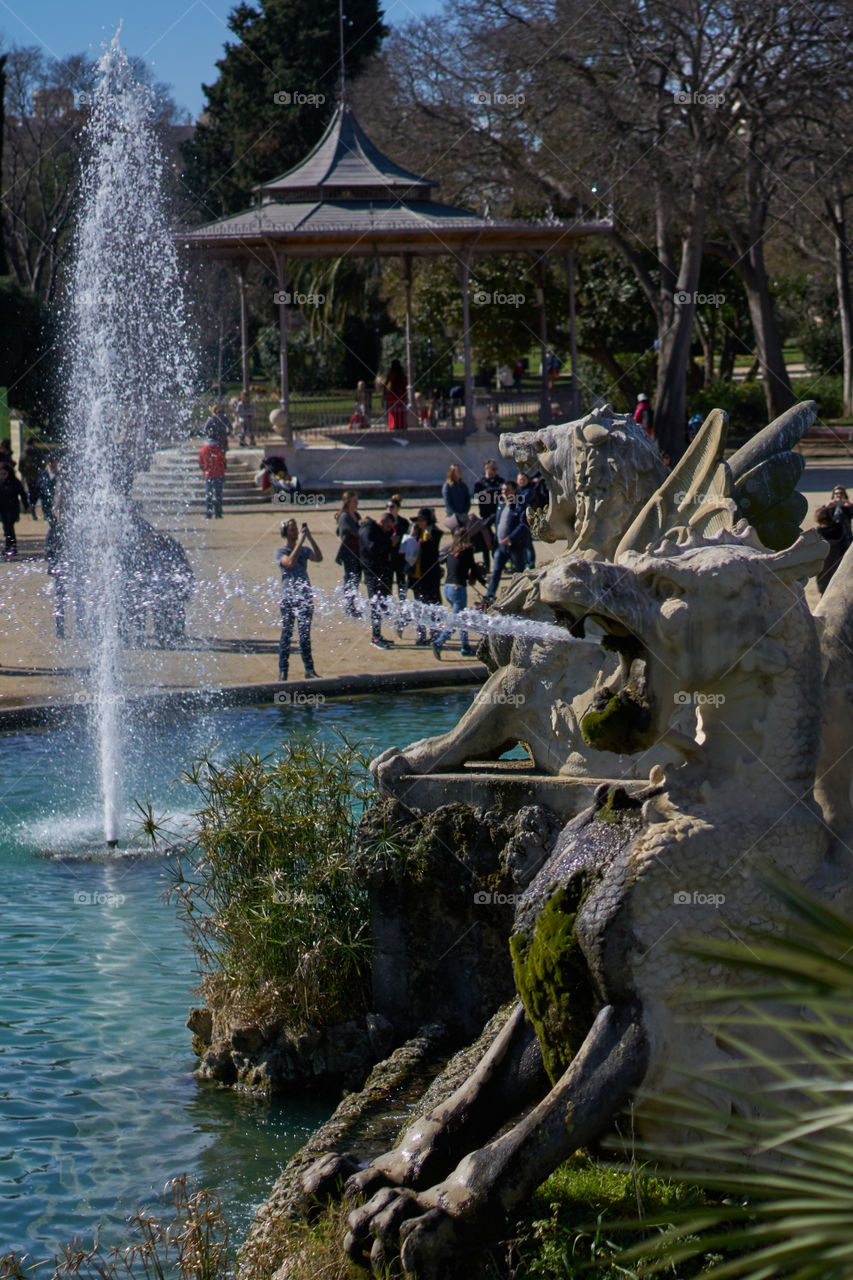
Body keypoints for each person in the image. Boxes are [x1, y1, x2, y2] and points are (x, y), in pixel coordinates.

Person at [277, 518, 321, 680]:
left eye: (296, 530)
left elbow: (319, 557)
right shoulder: (281, 551)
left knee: (304, 636)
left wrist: (309, 538)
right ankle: (283, 671)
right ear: (285, 533)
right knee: (286, 635)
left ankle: (309, 670)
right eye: (292, 530)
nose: (295, 532)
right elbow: (289, 563)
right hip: (289, 598)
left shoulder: (303, 549)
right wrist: (300, 542)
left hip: (304, 597)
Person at [432, 520, 484, 659]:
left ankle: (465, 647)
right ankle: (439, 642)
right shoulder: (467, 550)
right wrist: (483, 581)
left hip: (447, 589)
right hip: (458, 589)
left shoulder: (450, 552)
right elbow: (473, 567)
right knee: (457, 621)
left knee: (461, 619)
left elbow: (457, 568)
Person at [484, 480, 531, 600]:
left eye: (507, 490)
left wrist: (510, 538)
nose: (504, 492)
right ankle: (489, 595)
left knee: (519, 572)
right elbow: (497, 521)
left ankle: (521, 594)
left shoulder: (520, 505)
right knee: (496, 571)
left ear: (514, 491)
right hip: (501, 545)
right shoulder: (501, 504)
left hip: (516, 545)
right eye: (503, 489)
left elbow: (523, 525)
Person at [359, 510, 397, 648]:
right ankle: (375, 638)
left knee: (380, 603)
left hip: (379, 570)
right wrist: (389, 542)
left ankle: (377, 635)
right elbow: (372, 548)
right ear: (382, 521)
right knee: (375, 604)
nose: (389, 530)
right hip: (371, 572)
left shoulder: (378, 530)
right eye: (388, 527)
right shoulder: (368, 529)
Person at [409, 506, 443, 645]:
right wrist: (412, 535)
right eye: (418, 520)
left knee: (433, 605)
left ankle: (435, 633)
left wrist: (423, 536)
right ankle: (421, 634)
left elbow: (430, 549)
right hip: (416, 576)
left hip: (430, 576)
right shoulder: (415, 533)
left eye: (422, 520)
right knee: (419, 607)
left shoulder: (435, 533)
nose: (419, 523)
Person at [473, 458, 504, 570]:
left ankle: (500, 564)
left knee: (498, 539)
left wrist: (488, 493)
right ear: (486, 469)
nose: (495, 471)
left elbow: (503, 493)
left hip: (498, 514)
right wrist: (492, 494)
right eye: (493, 469)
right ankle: (486, 565)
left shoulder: (500, 480)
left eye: (496, 469)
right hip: (485, 515)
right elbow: (477, 498)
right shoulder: (480, 482)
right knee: (485, 541)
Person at [386, 495, 411, 630]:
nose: (389, 509)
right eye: (388, 507)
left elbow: (407, 538)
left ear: (397, 508)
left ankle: (402, 605)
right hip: (389, 557)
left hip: (400, 556)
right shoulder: (385, 520)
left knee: (402, 582)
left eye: (392, 507)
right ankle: (390, 606)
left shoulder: (403, 522)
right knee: (388, 582)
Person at [335, 490, 362, 616]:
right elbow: (355, 532)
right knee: (350, 578)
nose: (357, 503)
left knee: (356, 578)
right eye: (354, 501)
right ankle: (349, 606)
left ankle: (351, 605)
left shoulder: (355, 514)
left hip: (357, 551)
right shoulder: (345, 516)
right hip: (348, 551)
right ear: (348, 502)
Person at [815, 505, 847, 595]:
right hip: (838, 560)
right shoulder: (840, 527)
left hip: (824, 563)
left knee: (824, 587)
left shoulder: (819, 531)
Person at [0, 461, 28, 557]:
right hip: (2, 509)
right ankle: (8, 546)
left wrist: (27, 506)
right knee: (6, 527)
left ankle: (12, 546)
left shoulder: (15, 482)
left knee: (10, 527)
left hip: (12, 508)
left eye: (4, 473)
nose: (2, 476)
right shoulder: (0, 482)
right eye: (1, 474)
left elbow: (23, 494)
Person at [198, 435, 226, 518]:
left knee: (208, 494)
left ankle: (208, 512)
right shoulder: (219, 449)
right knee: (218, 494)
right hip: (218, 473)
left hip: (208, 474)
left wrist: (204, 470)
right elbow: (223, 462)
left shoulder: (203, 450)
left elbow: (200, 462)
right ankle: (218, 513)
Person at [514, 472, 537, 568]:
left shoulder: (529, 491)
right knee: (521, 544)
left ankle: (531, 564)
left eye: (524, 479)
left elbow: (521, 500)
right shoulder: (517, 491)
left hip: (527, 521)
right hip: (518, 521)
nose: (522, 481)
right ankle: (521, 563)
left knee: (528, 544)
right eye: (520, 479)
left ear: (527, 480)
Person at [19, 438, 42, 521]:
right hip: (36, 477)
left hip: (29, 478)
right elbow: (41, 463)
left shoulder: (24, 453)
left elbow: (20, 467)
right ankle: (32, 507)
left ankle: (32, 508)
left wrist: (25, 475)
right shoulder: (37, 451)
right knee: (37, 493)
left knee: (32, 493)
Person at [442, 464, 471, 528]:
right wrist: (456, 514)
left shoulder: (463, 486)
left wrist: (464, 513)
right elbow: (448, 503)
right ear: (453, 472)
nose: (460, 473)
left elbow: (467, 501)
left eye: (461, 471)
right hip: (452, 516)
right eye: (458, 471)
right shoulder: (447, 486)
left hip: (463, 516)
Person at [384, 359, 407, 431]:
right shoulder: (402, 374)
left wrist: (385, 392)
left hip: (393, 394)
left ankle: (393, 424)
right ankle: (401, 424)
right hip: (401, 394)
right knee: (401, 411)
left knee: (393, 411)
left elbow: (387, 384)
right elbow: (404, 384)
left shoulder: (391, 373)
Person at [828, 485, 853, 550]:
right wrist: (826, 507)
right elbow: (819, 518)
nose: (839, 495)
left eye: (841, 493)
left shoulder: (848, 507)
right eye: (836, 493)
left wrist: (850, 506)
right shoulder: (830, 507)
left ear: (845, 495)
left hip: (846, 536)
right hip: (833, 537)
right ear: (833, 496)